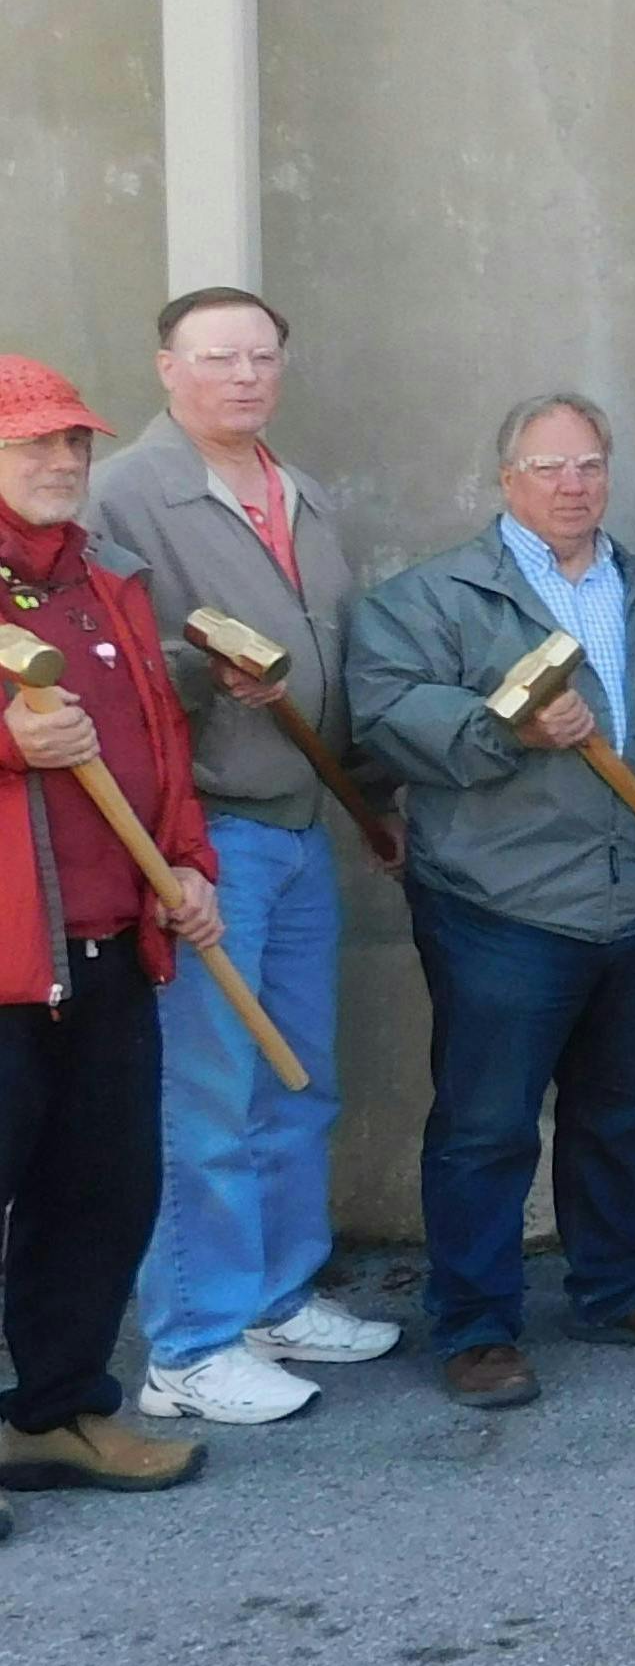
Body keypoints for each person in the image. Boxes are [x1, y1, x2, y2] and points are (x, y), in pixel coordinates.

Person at [348, 393, 635, 1409]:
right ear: (505, 480)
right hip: (501, 906)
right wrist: (505, 724)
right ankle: (476, 1324)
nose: (572, 485)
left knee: (623, 1112)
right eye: (547, 466)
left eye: (589, 464)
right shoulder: (432, 597)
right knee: (486, 1127)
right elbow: (387, 714)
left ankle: (617, 1288)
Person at [90, 287, 405, 1429]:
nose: (243, 375)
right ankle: (191, 1344)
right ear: (167, 366)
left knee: (295, 1078)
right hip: (200, 834)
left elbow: (337, 666)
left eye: (262, 355)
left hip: (296, 824)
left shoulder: (301, 491)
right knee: (205, 1099)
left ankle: (276, 1295)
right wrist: (199, 670)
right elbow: (105, 666)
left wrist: (369, 799)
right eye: (217, 356)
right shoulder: (126, 490)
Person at [0, 357, 219, 1532]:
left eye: (73, 443)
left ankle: (52, 1411)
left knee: (100, 1193)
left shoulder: (105, 582)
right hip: (0, 963)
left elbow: (157, 739)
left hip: (106, 945)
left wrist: (187, 862)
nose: (61, 463)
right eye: (32, 444)